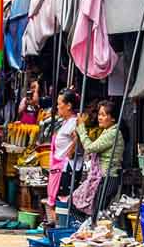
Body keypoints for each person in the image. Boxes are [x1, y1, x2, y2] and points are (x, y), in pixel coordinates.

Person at [74, 100, 124, 217]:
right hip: (104, 177)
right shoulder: (107, 131)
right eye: (99, 114)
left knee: (97, 211)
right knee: (94, 210)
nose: (99, 118)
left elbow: (90, 148)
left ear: (112, 118)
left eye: (103, 115)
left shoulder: (113, 133)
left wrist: (81, 129)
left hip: (108, 177)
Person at [41, 91, 80, 225]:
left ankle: (61, 228)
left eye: (59, 104)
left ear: (68, 106)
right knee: (56, 201)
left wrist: (71, 151)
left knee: (62, 202)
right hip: (59, 169)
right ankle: (57, 227)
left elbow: (78, 137)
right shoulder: (66, 122)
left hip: (66, 170)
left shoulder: (74, 122)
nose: (57, 107)